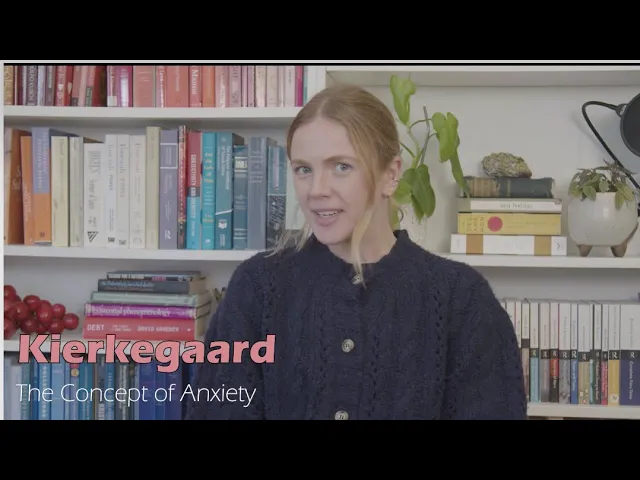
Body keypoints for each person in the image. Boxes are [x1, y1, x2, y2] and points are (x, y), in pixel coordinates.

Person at [185, 84, 528, 420]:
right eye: (304, 169)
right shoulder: (256, 287)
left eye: (341, 167)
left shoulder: (462, 299)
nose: (316, 190)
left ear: (390, 175)